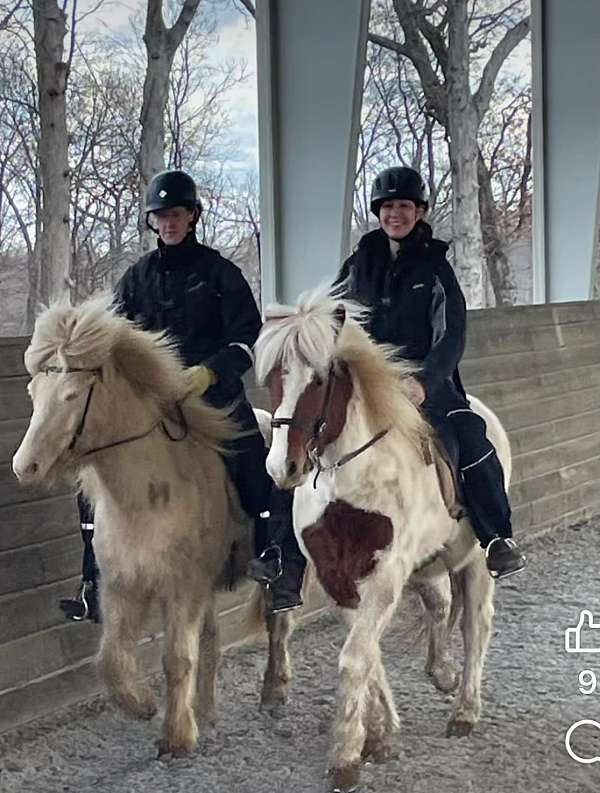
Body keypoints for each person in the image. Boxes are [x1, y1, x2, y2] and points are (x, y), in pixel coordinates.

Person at [247, 166, 526, 594]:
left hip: (421, 382)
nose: (396, 213)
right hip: (362, 382)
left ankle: (496, 537)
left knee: (470, 436)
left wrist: (426, 381)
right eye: (388, 206)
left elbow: (452, 335)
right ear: (379, 212)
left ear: (419, 212)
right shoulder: (357, 265)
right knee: (299, 437)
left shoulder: (436, 269)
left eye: (404, 206)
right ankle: (280, 554)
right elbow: (329, 322)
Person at [60, 169, 303, 621]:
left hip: (214, 397)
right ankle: (92, 579)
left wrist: (208, 373)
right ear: (153, 222)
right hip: (153, 404)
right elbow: (113, 336)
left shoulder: (220, 274)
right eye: (161, 216)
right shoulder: (137, 278)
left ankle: (278, 561)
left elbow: (247, 339)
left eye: (176, 214)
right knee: (91, 477)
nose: (168, 222)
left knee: (257, 469)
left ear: (192, 216)